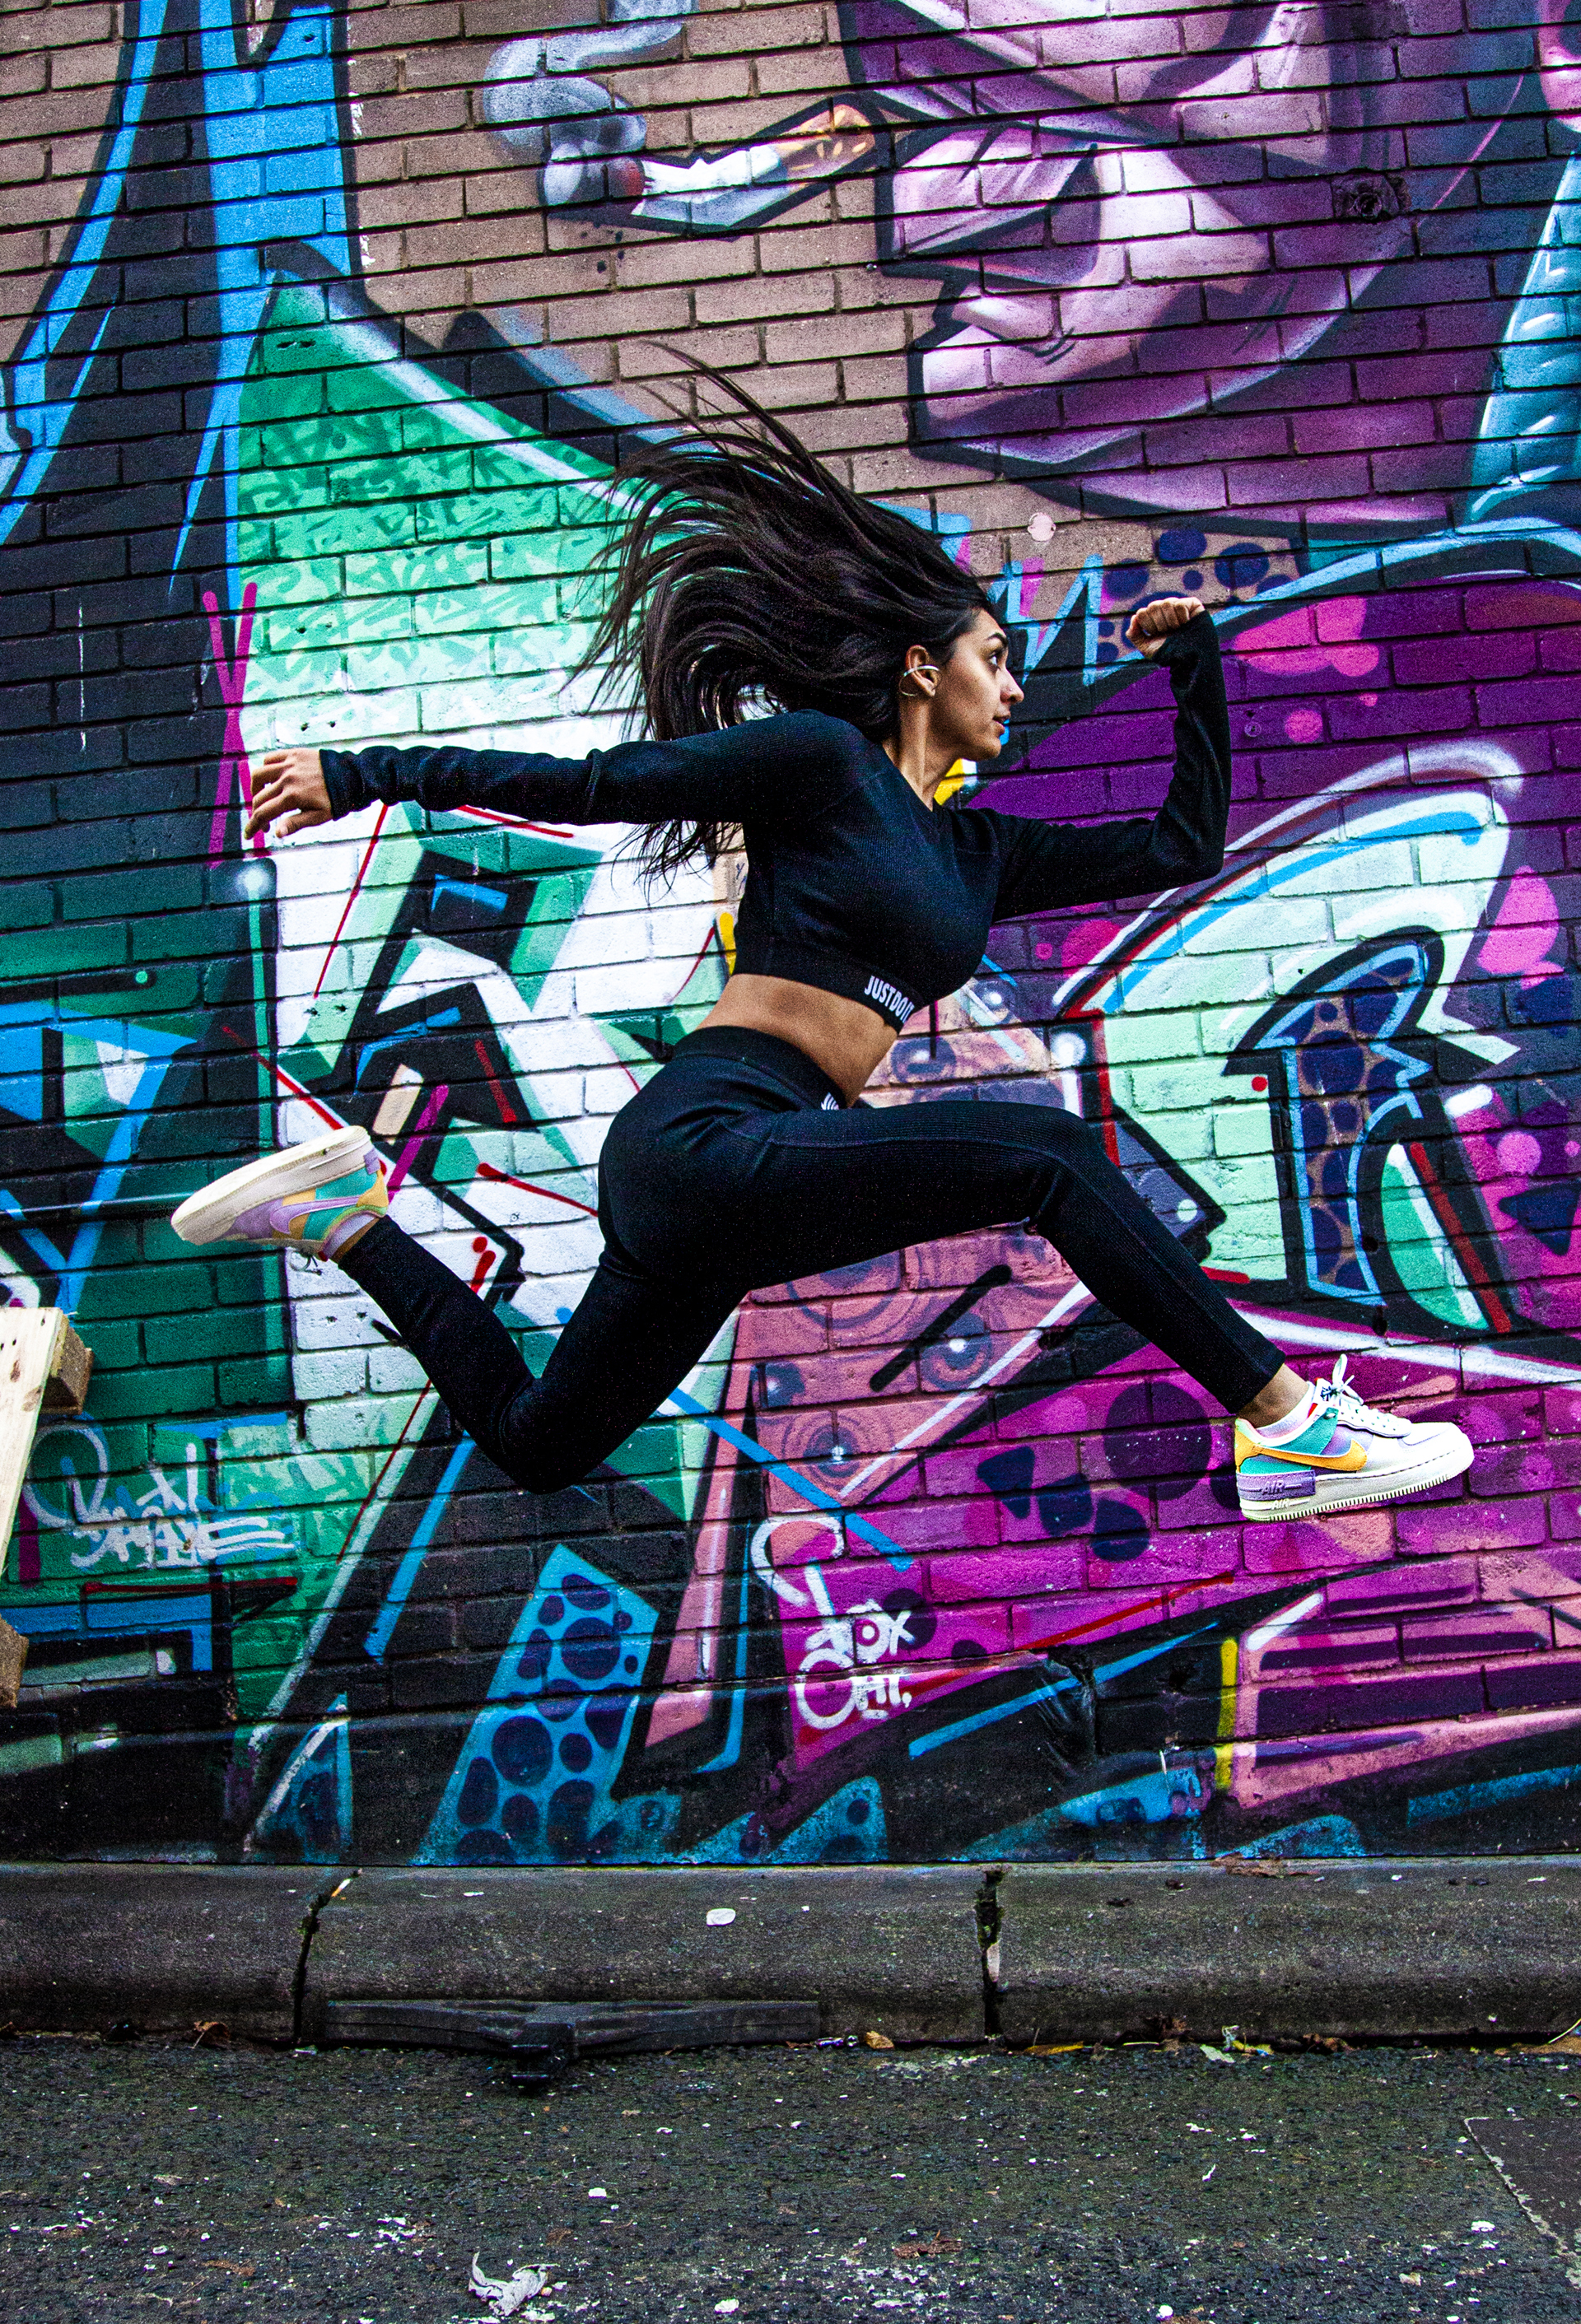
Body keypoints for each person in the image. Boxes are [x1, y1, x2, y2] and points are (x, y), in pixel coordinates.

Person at [170, 403, 1473, 1523]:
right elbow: (590, 785)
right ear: (922, 666)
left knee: (540, 1444)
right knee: (1053, 1159)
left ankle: (345, 1220)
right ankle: (1294, 1427)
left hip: (741, 1180)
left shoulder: (978, 851)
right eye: (993, 659)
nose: (1012, 687)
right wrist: (363, 774)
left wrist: (1197, 672)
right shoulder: (820, 764)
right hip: (705, 1137)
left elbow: (1183, 846)